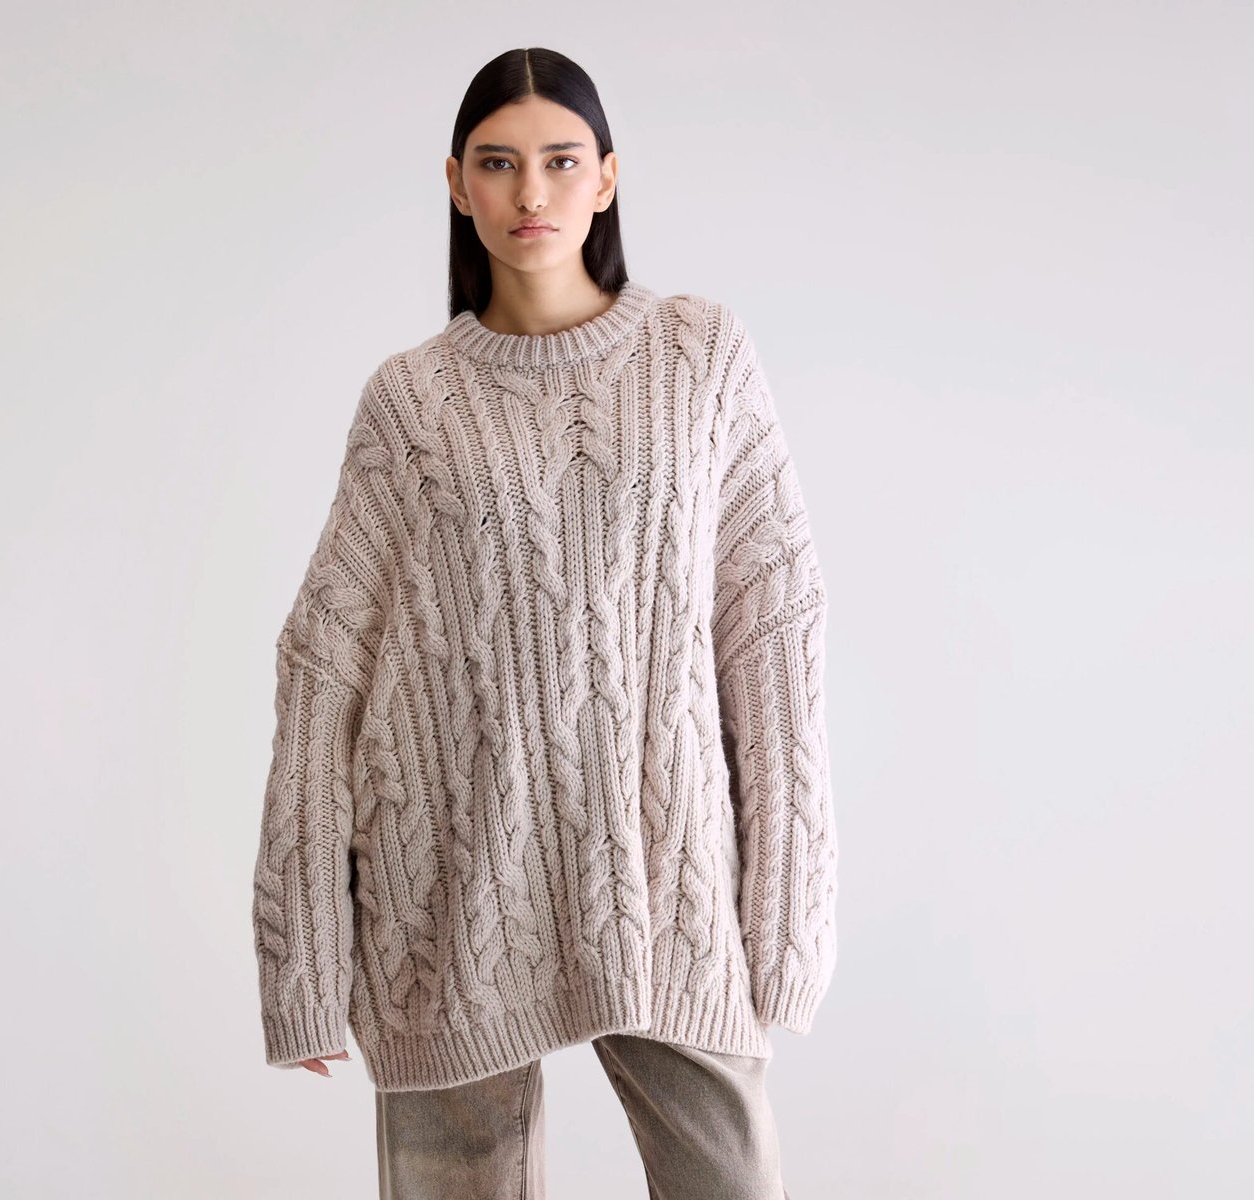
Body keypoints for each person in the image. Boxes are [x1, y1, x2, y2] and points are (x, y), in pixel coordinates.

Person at [253, 46, 837, 1200]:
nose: (531, 192)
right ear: (456, 184)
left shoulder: (700, 357)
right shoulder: (410, 401)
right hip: (450, 891)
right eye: (498, 163)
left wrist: (785, 919)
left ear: (607, 177)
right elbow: (324, 666)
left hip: (664, 880)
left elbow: (773, 631)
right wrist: (304, 962)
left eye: (561, 161)